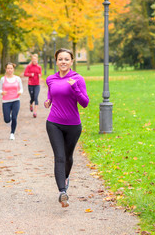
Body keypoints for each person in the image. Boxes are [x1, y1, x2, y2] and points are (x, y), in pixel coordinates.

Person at [44, 48, 89, 208]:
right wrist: (48, 101)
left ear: (71, 62)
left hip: (73, 126)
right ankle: (62, 192)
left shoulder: (78, 79)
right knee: (59, 157)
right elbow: (51, 93)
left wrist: (75, 87)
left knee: (68, 157)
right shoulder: (50, 79)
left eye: (66, 59)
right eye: (60, 59)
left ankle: (65, 176)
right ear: (56, 61)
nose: (63, 62)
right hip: (54, 123)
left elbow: (85, 103)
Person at [0, 63, 23, 140]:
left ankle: (12, 133)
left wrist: (20, 92)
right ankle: (8, 119)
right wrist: (1, 92)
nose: (9, 70)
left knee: (14, 117)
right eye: (8, 68)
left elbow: (21, 89)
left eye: (11, 68)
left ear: (13, 69)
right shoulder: (3, 79)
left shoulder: (17, 78)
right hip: (6, 101)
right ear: (6, 69)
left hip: (16, 100)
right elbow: (0, 89)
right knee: (7, 120)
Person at [24, 54, 42, 118]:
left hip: (37, 84)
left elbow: (40, 73)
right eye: (33, 59)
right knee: (32, 98)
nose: (34, 60)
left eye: (35, 59)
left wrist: (40, 75)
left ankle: (35, 112)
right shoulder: (29, 66)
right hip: (31, 84)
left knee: (36, 97)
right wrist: (30, 74)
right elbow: (25, 74)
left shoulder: (39, 67)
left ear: (37, 60)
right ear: (32, 60)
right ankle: (31, 104)